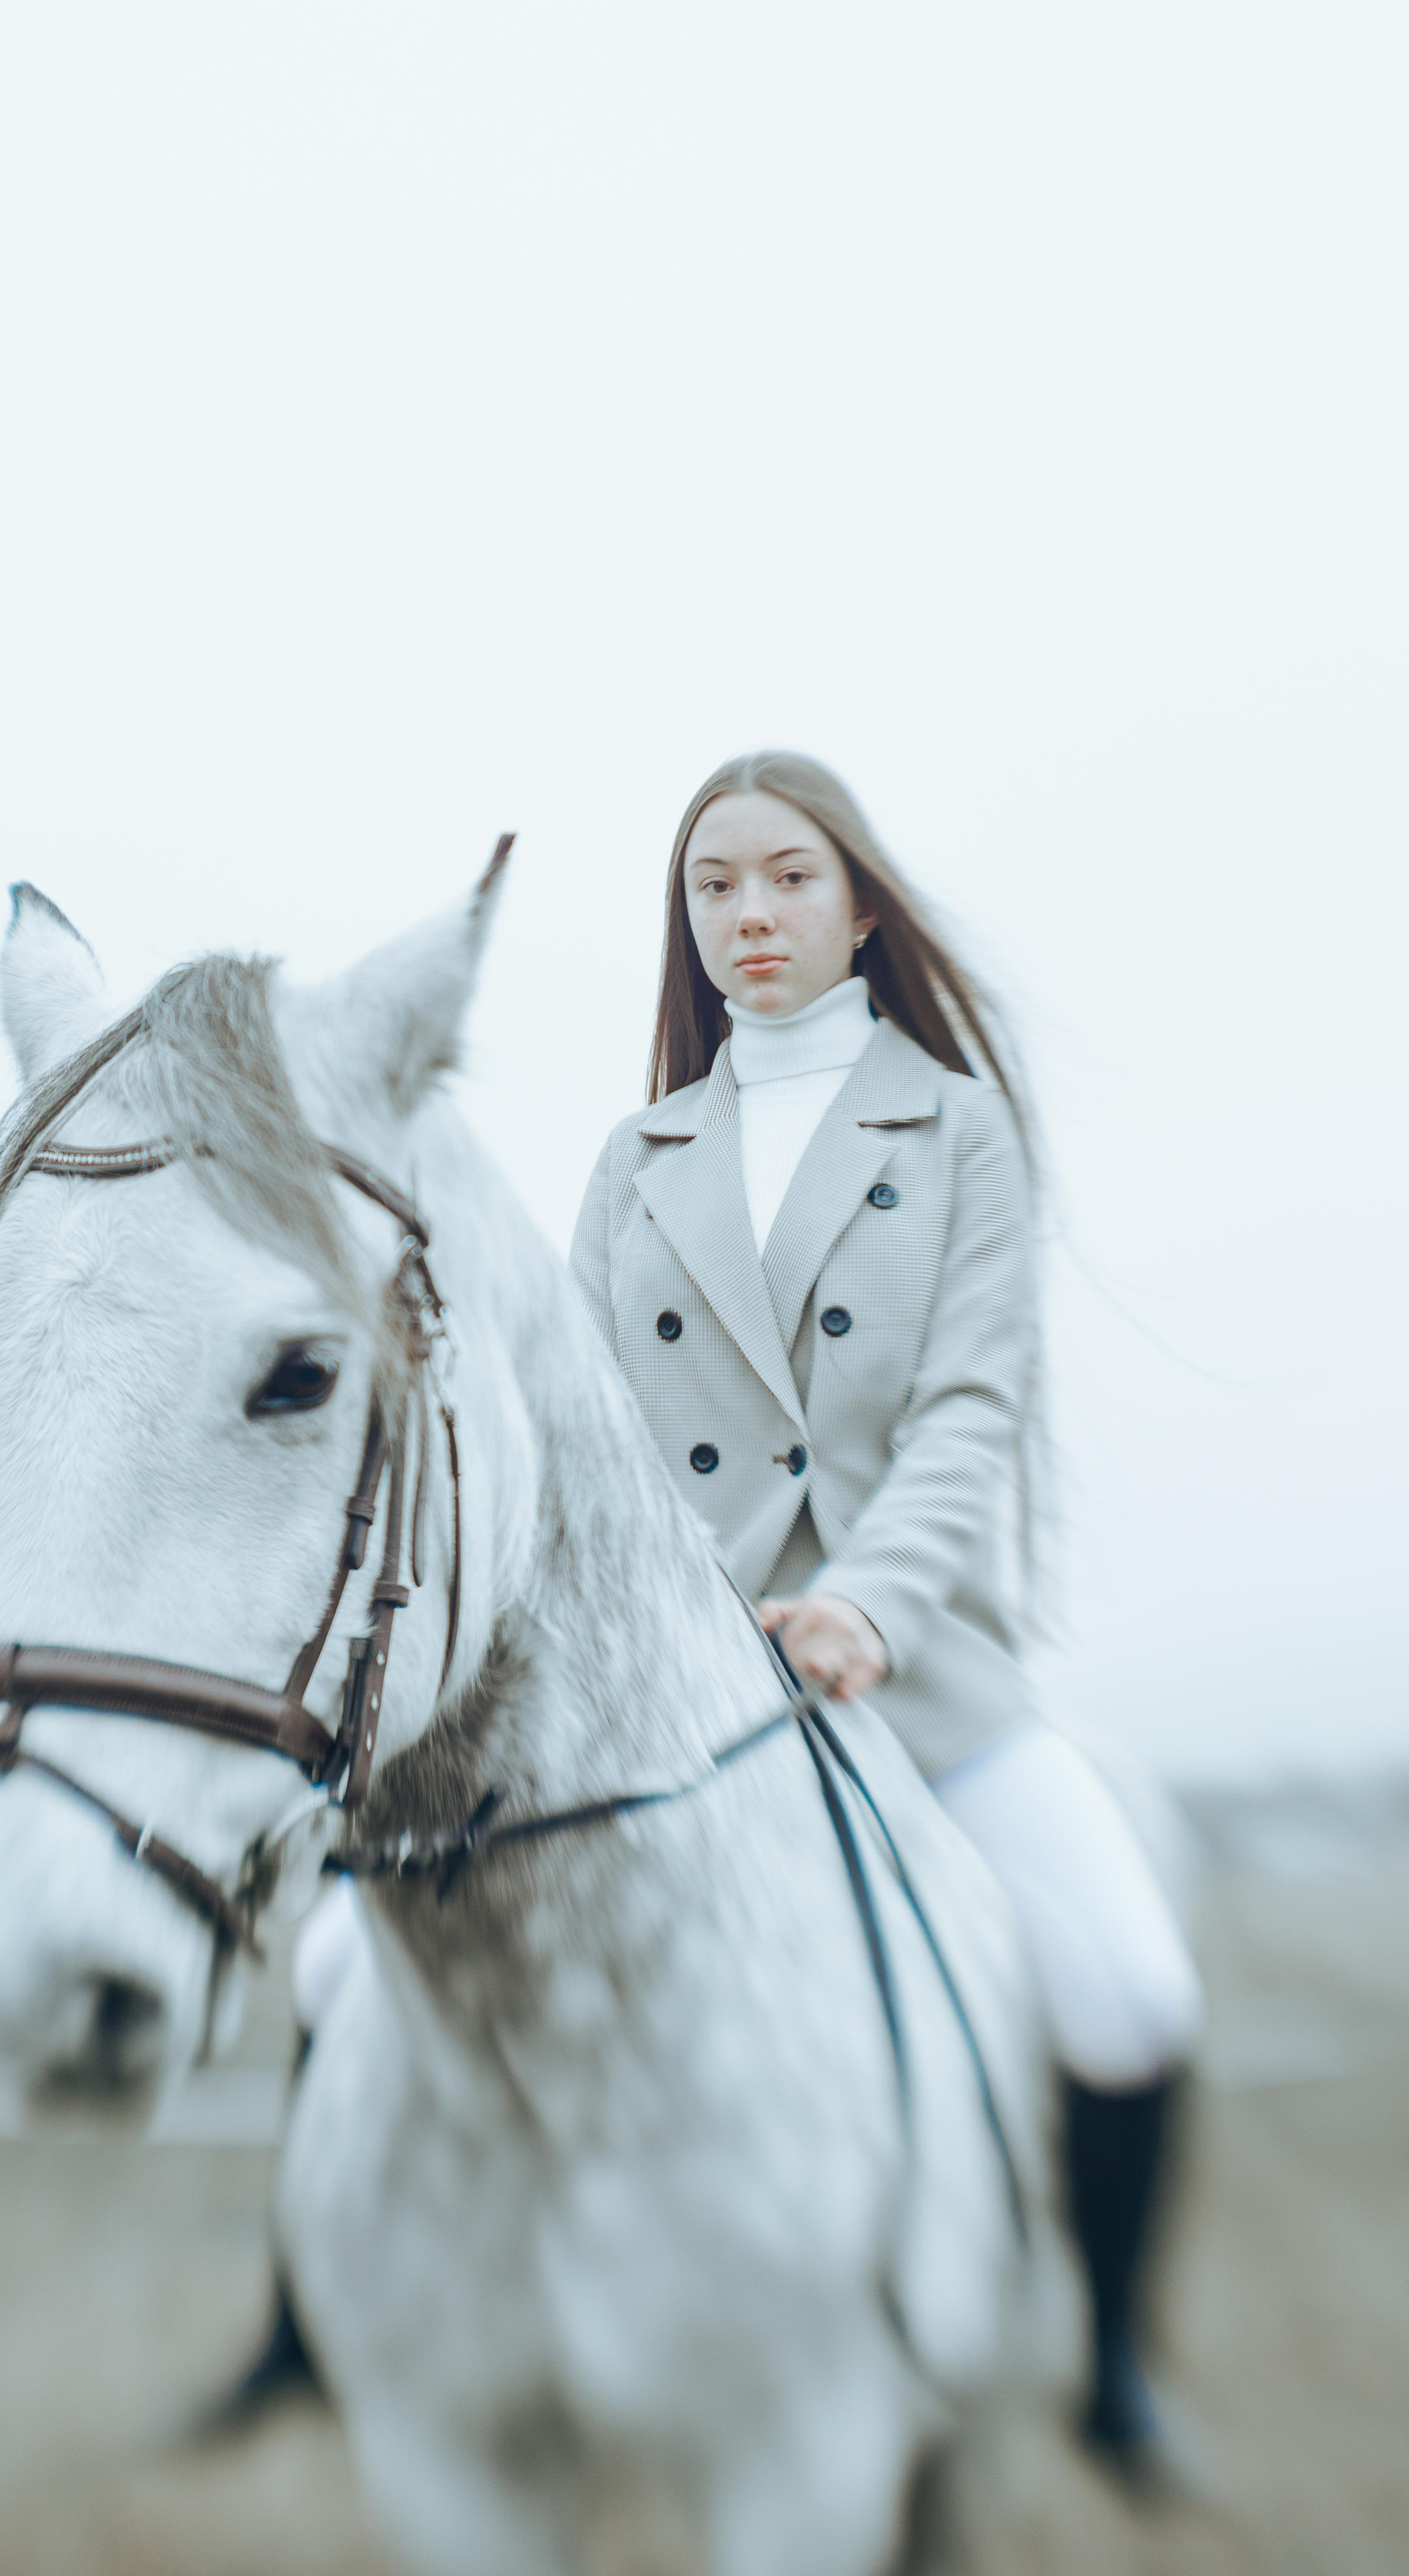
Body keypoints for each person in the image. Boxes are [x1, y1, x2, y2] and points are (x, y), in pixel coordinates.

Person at [568, 749, 1202, 2488]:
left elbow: (972, 1409)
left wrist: (865, 1603)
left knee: (1133, 1993)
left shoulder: (960, 1132)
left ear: (860, 907)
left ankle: (1118, 2374)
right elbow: (584, 1443)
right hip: (679, 1700)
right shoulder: (637, 1158)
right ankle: (325, 2326)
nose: (746, 915)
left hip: (914, 1674)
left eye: (783, 877)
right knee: (352, 1955)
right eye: (712, 888)